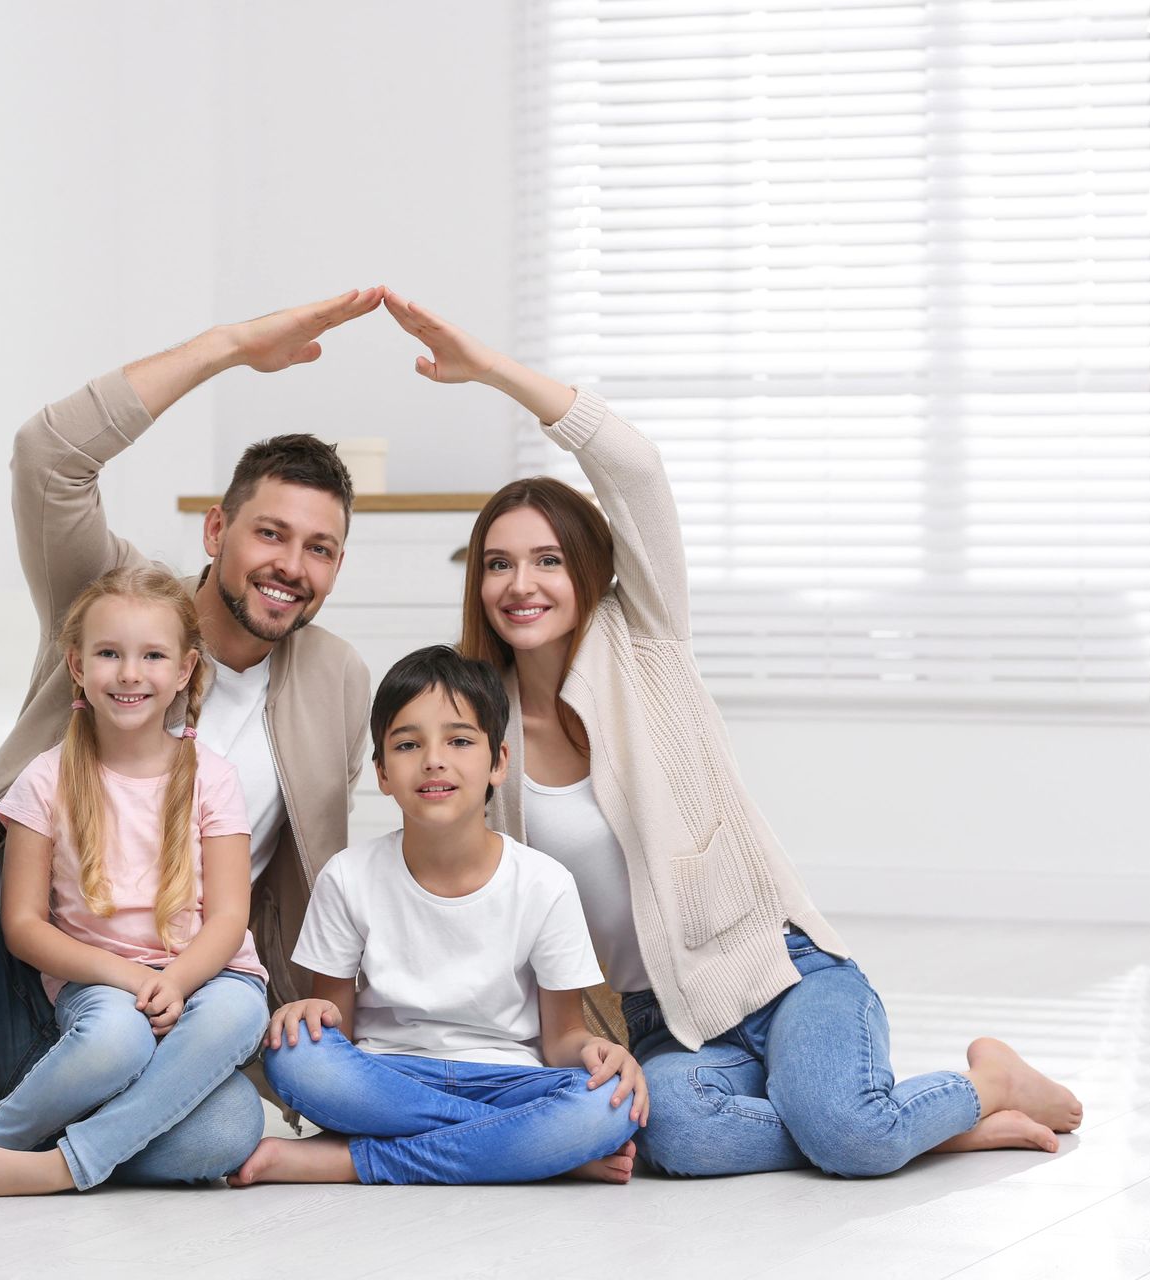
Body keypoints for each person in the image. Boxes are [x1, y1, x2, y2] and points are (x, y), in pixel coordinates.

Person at [379, 288, 1083, 1178]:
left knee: (847, 1137)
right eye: (499, 563)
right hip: (653, 1018)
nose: (522, 582)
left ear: (588, 569)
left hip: (777, 973)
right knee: (676, 1135)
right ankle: (908, 1121)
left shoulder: (646, 641)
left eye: (549, 559)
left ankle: (976, 1085)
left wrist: (491, 372)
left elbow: (631, 464)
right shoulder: (477, 729)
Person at [0, 289, 379, 1192]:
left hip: (161, 1001)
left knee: (215, 1139)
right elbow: (47, 457)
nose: (293, 566)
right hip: (3, 971)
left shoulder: (337, 680)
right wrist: (232, 346)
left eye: (321, 549)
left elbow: (305, 890)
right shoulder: (114, 599)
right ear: (217, 531)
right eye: (271, 534)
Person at [0, 567, 270, 1197]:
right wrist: (131, 979)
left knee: (234, 1092)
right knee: (115, 1039)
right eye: (109, 654)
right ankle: (6, 1147)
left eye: (152, 655)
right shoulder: (44, 781)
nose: (130, 673)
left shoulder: (214, 777)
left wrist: (176, 982)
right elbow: (21, 926)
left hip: (207, 980)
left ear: (184, 671)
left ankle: (26, 1152)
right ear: (77, 666)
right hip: (101, 989)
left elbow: (230, 917)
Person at [229, 645, 647, 1187]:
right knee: (294, 1059)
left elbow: (562, 1039)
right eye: (407, 744)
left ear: (499, 761)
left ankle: (354, 1161)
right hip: (388, 1076)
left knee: (610, 1107)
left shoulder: (545, 882)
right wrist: (308, 1013)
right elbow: (336, 1024)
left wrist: (594, 1049)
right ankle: (529, 1148)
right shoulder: (347, 875)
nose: (433, 759)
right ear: (381, 771)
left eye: (459, 740)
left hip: (509, 1080)